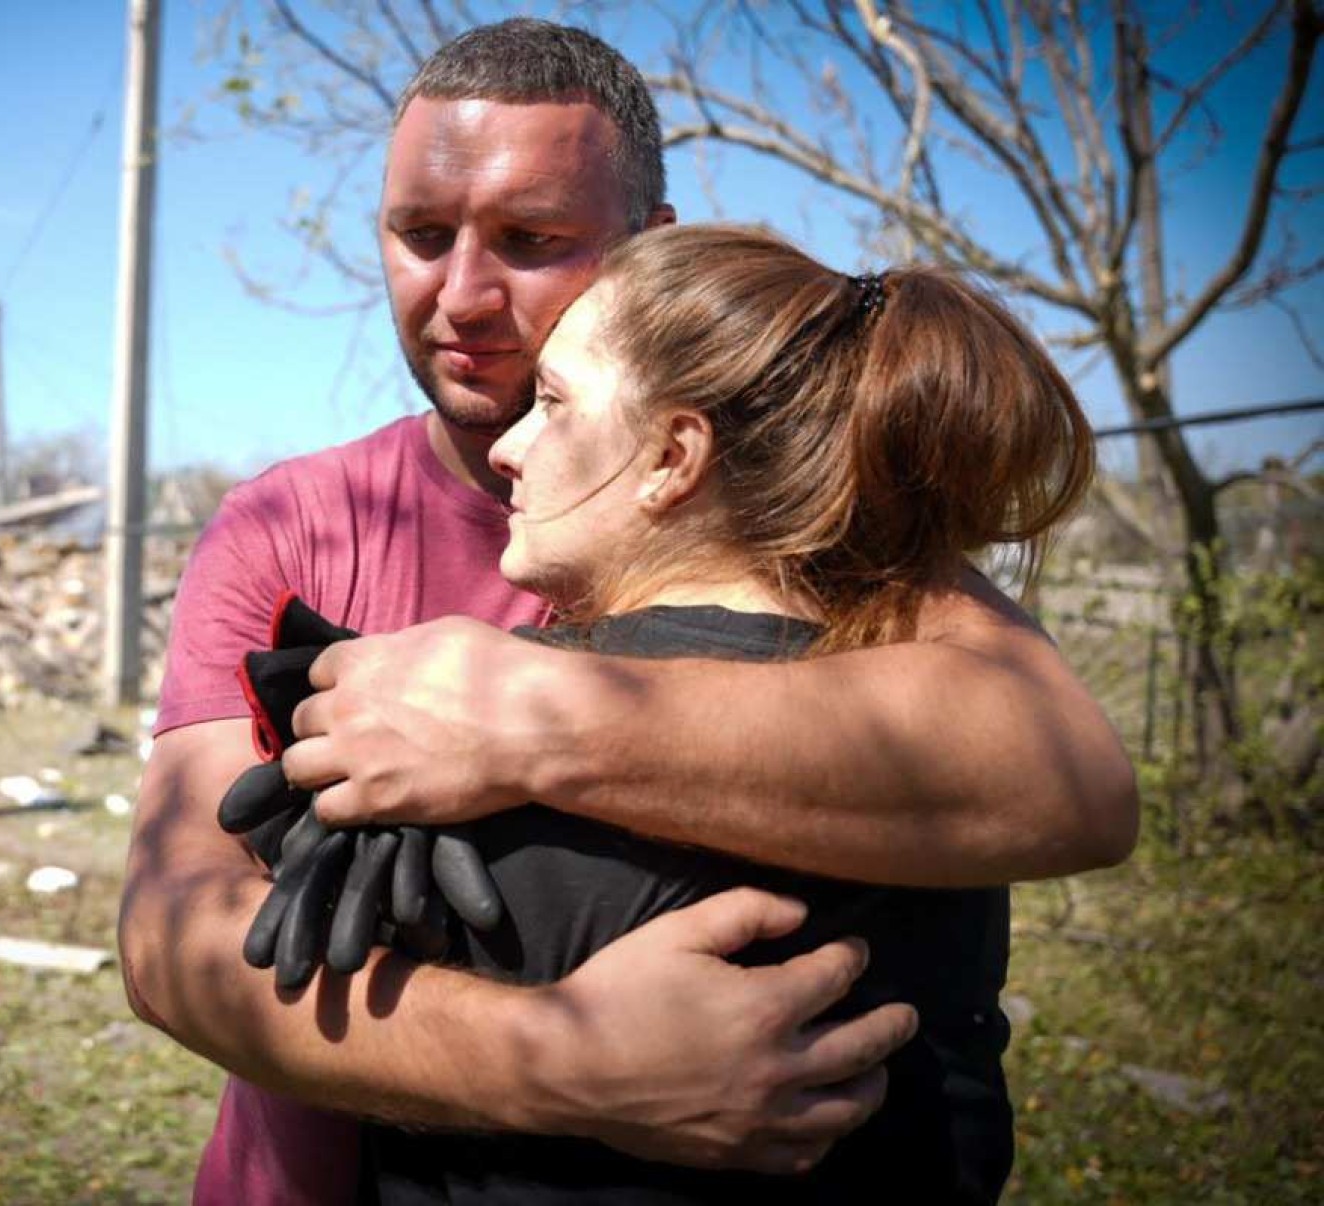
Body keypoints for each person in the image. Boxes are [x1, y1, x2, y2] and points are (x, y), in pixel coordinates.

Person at [117, 19, 1137, 1204]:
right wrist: (563, 1064)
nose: (461, 296)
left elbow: (1069, 784)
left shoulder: (810, 527)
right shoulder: (289, 525)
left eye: (530, 239)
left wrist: (536, 720)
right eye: (420, 236)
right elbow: (170, 938)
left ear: (649, 250)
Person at [344, 221, 1092, 1202]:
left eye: (554, 404)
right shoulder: (941, 756)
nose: (511, 449)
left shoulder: (439, 735)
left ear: (672, 455)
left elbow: (223, 968)